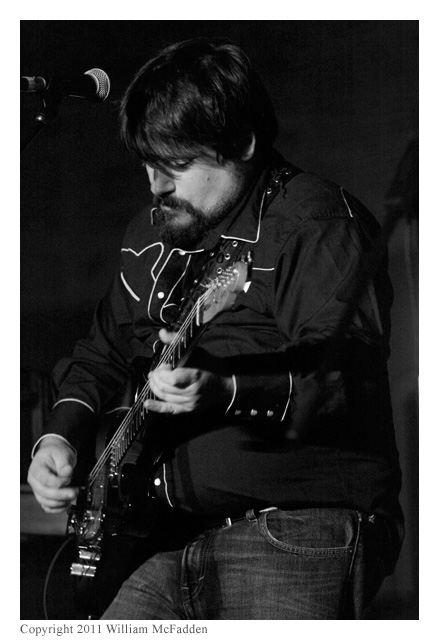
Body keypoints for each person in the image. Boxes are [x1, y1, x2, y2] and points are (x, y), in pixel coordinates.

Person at [27, 38, 404, 620]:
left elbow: (343, 372)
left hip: (292, 529)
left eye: (175, 164)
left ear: (243, 144)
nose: (155, 185)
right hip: (158, 538)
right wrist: (58, 438)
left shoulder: (316, 221)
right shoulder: (149, 236)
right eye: (147, 163)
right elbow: (100, 351)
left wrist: (227, 389)